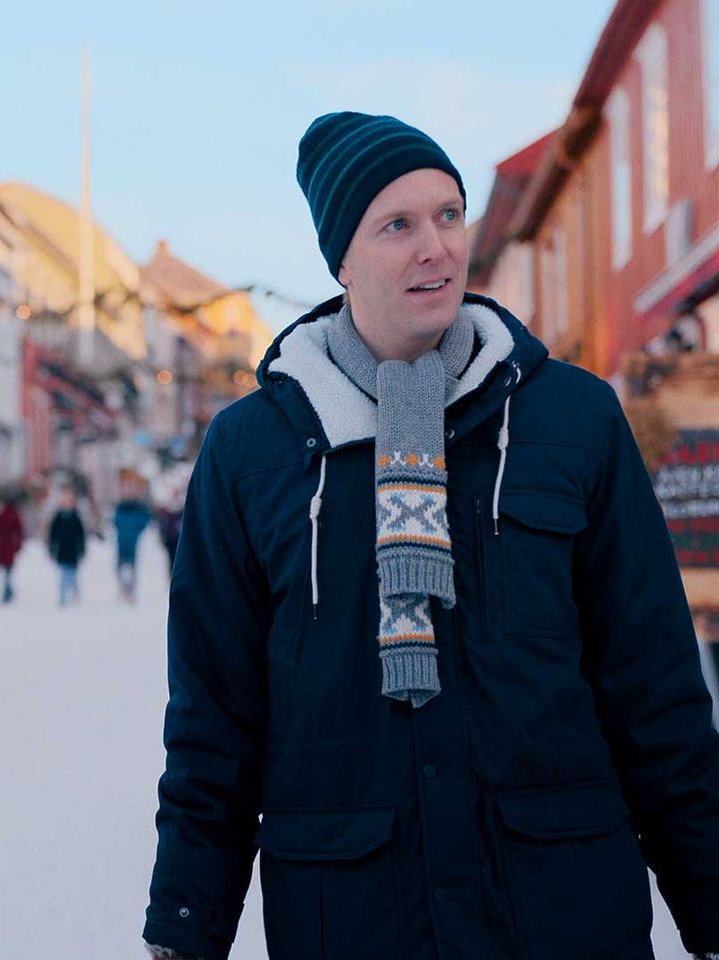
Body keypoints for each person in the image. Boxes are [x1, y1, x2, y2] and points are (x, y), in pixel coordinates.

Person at [143, 112, 719, 960]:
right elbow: (215, 720)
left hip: (559, 909)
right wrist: (185, 927)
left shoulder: (573, 419)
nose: (437, 247)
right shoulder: (252, 451)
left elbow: (655, 690)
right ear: (340, 259)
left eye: (449, 215)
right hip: (353, 914)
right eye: (398, 225)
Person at [47, 487, 87, 607]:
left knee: (73, 574)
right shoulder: (57, 518)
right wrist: (52, 548)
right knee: (64, 574)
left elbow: (81, 536)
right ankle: (62, 597)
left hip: (73, 551)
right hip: (62, 550)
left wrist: (81, 549)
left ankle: (75, 593)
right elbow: (52, 535)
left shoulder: (76, 517)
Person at [112, 492, 152, 603]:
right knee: (119, 567)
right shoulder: (120, 507)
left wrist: (137, 530)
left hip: (133, 542)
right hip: (121, 541)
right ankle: (123, 588)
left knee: (132, 568)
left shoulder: (139, 507)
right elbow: (115, 520)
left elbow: (146, 520)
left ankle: (131, 591)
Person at [0, 497, 25, 604]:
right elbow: (20, 532)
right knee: (8, 572)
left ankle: (7, 593)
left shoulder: (0, 515)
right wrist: (18, 546)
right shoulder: (15, 516)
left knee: (6, 572)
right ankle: (8, 593)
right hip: (10, 548)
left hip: (1, 548)